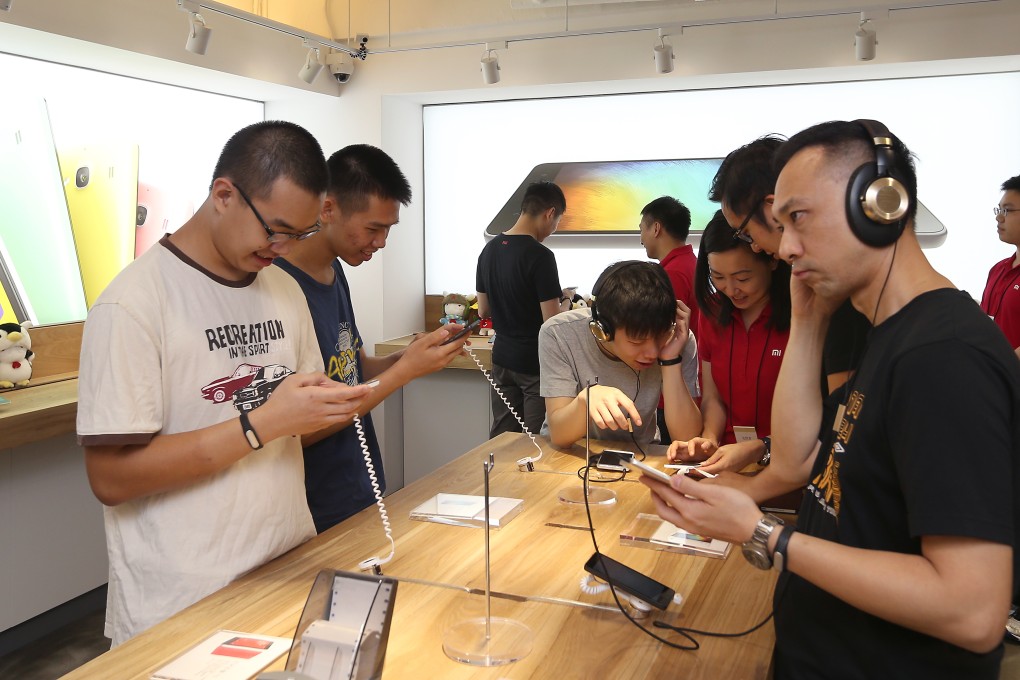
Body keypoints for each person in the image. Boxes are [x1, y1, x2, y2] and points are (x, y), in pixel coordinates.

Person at [642, 120, 1020, 678]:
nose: (785, 247)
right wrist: (809, 319)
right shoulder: (884, 333)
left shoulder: (943, 357)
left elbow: (970, 611)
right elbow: (797, 458)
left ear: (880, 205)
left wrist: (763, 532)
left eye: (797, 219)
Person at [77, 121, 376, 645]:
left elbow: (295, 427)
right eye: (275, 229)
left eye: (299, 234)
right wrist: (257, 426)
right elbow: (111, 478)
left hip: (286, 569)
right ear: (224, 195)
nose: (282, 248)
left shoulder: (283, 289)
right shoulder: (134, 304)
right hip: (181, 604)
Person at [275, 144, 468, 534]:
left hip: (359, 486)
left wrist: (408, 357)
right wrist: (403, 373)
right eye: (373, 228)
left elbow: (355, 369)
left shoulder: (335, 272)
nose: (380, 243)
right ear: (328, 209)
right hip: (313, 504)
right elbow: (300, 428)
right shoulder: (277, 286)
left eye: (388, 230)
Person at [709, 134, 868, 394]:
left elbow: (841, 418)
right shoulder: (807, 289)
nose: (755, 246)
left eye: (746, 232)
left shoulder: (841, 294)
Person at [669, 210, 790, 474]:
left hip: (788, 464)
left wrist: (762, 447)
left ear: (771, 260)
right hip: (727, 464)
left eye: (743, 278)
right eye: (718, 277)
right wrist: (710, 439)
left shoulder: (800, 315)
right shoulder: (712, 312)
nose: (731, 289)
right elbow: (713, 397)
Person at [539, 260, 701, 448]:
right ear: (602, 330)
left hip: (641, 455)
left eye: (659, 337)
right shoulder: (559, 333)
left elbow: (688, 439)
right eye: (637, 341)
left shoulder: (677, 337)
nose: (653, 352)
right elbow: (559, 435)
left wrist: (671, 360)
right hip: (573, 453)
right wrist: (586, 401)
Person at [476, 180, 573, 438]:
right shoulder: (541, 256)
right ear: (549, 213)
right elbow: (551, 321)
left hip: (502, 360)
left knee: (502, 438)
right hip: (533, 365)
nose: (553, 229)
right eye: (557, 222)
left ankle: (495, 480)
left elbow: (483, 311)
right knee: (535, 443)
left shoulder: (489, 250)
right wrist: (567, 301)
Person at [638, 195, 699, 443]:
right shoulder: (693, 265)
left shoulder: (670, 275)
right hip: (689, 381)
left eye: (641, 229)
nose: (641, 239)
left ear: (656, 228)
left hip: (675, 384)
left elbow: (662, 335)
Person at [981, 174, 1020, 358]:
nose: (998, 217)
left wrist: (1001, 372)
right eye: (999, 209)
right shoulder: (998, 269)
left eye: (1007, 210)